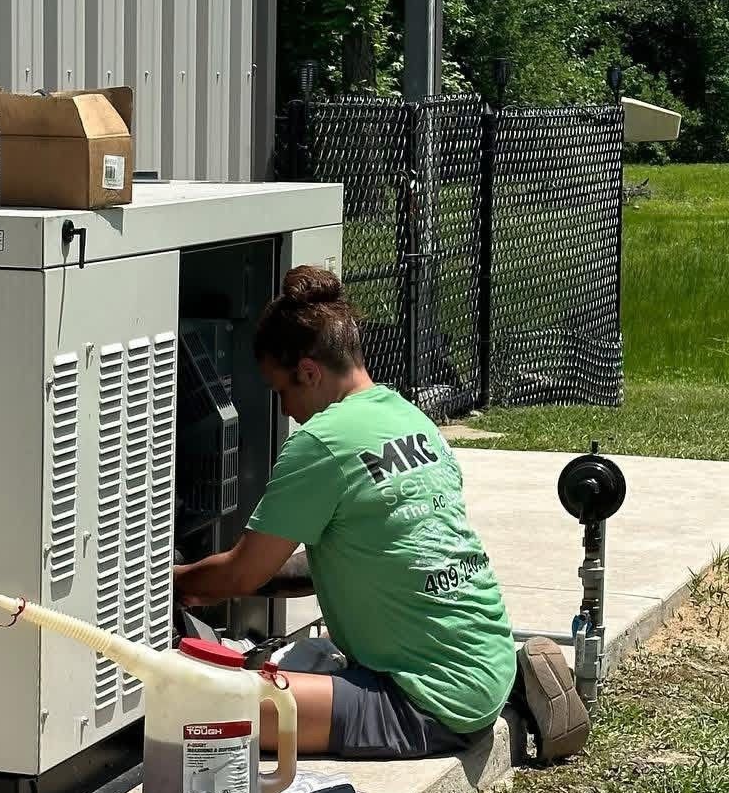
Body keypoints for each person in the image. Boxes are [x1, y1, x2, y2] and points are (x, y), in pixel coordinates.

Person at [173, 266, 589, 762]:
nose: (284, 409)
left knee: (200, 704)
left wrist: (173, 581)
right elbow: (377, 555)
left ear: (309, 371)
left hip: (422, 703)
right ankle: (514, 685)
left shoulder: (321, 443)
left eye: (281, 390)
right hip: (483, 656)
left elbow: (244, 572)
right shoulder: (410, 418)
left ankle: (487, 697)